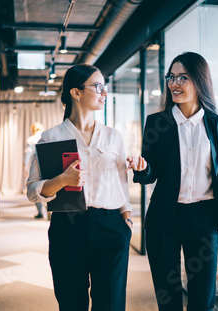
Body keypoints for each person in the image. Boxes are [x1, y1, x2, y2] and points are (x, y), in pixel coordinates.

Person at [127, 52, 218, 311]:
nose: (174, 83)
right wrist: (143, 167)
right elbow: (150, 173)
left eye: (183, 77)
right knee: (167, 297)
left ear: (200, 81)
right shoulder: (157, 122)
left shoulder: (217, 124)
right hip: (164, 218)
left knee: (202, 297)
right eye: (171, 77)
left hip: (203, 218)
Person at [26, 64, 138, 311]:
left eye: (104, 88)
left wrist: (126, 222)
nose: (104, 93)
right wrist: (63, 180)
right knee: (71, 303)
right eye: (97, 86)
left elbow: (122, 187)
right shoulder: (51, 137)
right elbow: (33, 190)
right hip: (68, 227)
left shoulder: (113, 136)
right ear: (76, 93)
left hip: (111, 228)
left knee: (110, 304)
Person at [23, 122, 45, 218]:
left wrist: (25, 166)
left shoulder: (31, 140)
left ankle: (40, 212)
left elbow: (28, 154)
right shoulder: (46, 136)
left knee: (36, 188)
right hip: (47, 166)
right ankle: (49, 210)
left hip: (36, 167)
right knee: (48, 187)